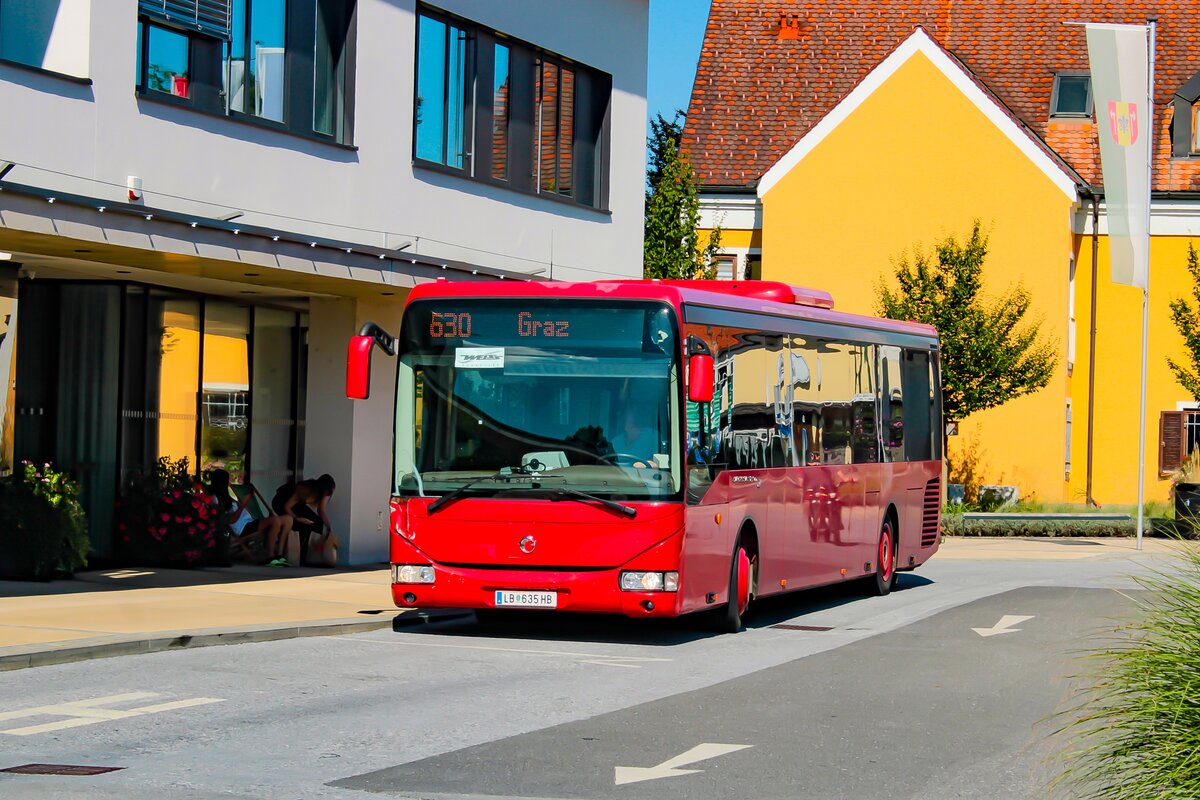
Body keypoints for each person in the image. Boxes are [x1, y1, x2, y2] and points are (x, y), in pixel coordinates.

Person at [207, 469, 292, 565]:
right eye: (227, 480)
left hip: (250, 523)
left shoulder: (227, 497)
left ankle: (279, 555)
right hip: (243, 529)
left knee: (288, 519)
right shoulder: (215, 499)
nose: (228, 483)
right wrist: (244, 504)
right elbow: (232, 519)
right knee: (275, 521)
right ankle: (270, 557)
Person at [272, 474, 339, 566]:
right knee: (302, 525)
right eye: (327, 493)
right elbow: (287, 506)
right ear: (322, 489)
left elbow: (321, 511)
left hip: (296, 504)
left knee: (317, 522)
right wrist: (298, 519)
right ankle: (298, 552)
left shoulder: (322, 493)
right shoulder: (304, 489)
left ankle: (310, 554)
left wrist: (328, 526)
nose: (328, 495)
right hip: (281, 501)